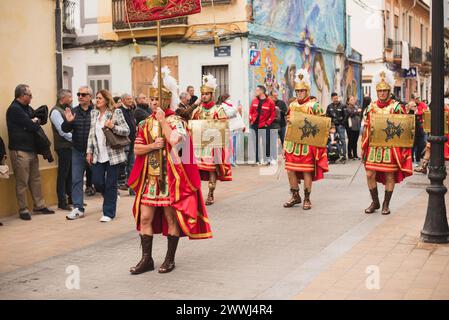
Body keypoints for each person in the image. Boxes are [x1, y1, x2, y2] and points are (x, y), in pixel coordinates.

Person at [128, 71, 212, 275]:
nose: (154, 102)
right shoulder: (145, 123)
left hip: (170, 179)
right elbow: (137, 149)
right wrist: (152, 146)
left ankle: (169, 259)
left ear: (166, 99)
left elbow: (175, 140)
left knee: (171, 219)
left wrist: (163, 121)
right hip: (151, 178)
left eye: (158, 98)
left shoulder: (177, 121)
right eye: (152, 98)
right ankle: (146, 259)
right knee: (145, 218)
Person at [362, 69, 413, 215]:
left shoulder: (397, 108)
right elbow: (365, 128)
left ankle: (386, 203)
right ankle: (375, 201)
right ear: (376, 92)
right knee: (369, 174)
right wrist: (363, 147)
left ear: (389, 91)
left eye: (385, 90)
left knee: (390, 175)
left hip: (390, 147)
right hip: (374, 147)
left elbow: (404, 129)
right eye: (380, 91)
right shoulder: (371, 107)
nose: (382, 93)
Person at [6, 84, 55, 220]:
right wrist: (34, 121)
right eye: (30, 95)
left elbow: (38, 120)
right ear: (22, 96)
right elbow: (32, 126)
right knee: (22, 182)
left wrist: (35, 120)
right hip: (20, 150)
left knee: (35, 179)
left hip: (31, 149)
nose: (32, 97)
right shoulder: (14, 109)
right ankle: (23, 209)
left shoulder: (27, 108)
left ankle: (39, 205)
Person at [283, 69, 329, 210]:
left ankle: (307, 198)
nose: (299, 94)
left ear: (307, 91)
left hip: (308, 144)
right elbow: (288, 124)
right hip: (293, 143)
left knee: (306, 171)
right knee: (290, 170)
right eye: (297, 91)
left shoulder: (314, 106)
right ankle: (295, 196)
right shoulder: (292, 105)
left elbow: (322, 125)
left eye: (302, 91)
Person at [85, 90, 130, 222]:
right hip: (98, 155)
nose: (96, 100)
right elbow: (91, 134)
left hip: (113, 155)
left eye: (99, 98)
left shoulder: (116, 112)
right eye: (96, 98)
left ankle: (108, 213)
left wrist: (113, 126)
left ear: (106, 99)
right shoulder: (93, 113)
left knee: (111, 183)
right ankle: (112, 196)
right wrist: (89, 151)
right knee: (97, 182)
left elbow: (126, 130)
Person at [191, 74, 232, 206]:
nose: (204, 96)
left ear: (212, 95)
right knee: (196, 168)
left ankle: (210, 192)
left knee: (211, 169)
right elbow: (192, 124)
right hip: (199, 143)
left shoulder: (218, 109)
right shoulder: (198, 109)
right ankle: (196, 193)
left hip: (213, 145)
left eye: (207, 94)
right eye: (202, 94)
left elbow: (224, 126)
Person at [62, 86, 95, 220]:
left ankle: (109, 202)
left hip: (94, 151)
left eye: (83, 94)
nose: (80, 96)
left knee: (99, 179)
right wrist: (69, 122)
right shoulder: (74, 111)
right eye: (78, 94)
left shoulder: (96, 112)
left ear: (90, 97)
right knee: (76, 179)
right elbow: (64, 129)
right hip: (77, 150)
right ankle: (78, 208)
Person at [50, 89, 73, 211]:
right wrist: (75, 139)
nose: (72, 99)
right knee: (63, 174)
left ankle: (71, 199)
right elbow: (62, 131)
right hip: (63, 146)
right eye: (69, 97)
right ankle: (62, 202)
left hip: (69, 146)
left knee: (70, 174)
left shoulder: (65, 110)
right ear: (62, 98)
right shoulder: (55, 112)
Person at [249, 85, 276, 165]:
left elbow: (273, 114)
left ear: (262, 91)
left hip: (264, 125)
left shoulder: (270, 102)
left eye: (257, 90)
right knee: (255, 143)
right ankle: (257, 160)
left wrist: (267, 123)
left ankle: (266, 159)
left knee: (266, 142)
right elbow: (251, 112)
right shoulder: (254, 101)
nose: (255, 92)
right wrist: (250, 119)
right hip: (254, 125)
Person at [217, 94, 246, 167]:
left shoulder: (231, 105)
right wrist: (237, 109)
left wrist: (242, 125)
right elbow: (228, 114)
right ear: (225, 99)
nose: (230, 99)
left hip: (235, 128)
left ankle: (233, 160)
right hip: (230, 128)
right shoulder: (223, 106)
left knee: (235, 146)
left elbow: (237, 117)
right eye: (229, 98)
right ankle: (230, 161)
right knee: (230, 146)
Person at [118, 93, 137, 194]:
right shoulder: (120, 111)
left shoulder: (131, 110)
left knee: (131, 164)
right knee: (122, 164)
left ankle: (132, 187)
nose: (131, 100)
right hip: (124, 141)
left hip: (132, 140)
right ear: (123, 100)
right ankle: (118, 185)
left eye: (131, 98)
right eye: (129, 99)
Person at [326, 92, 347, 162]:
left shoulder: (342, 106)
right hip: (332, 126)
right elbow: (327, 116)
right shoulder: (329, 107)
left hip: (340, 126)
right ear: (332, 98)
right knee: (332, 140)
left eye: (337, 98)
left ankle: (343, 155)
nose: (336, 99)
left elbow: (346, 116)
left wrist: (342, 123)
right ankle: (332, 155)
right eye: (334, 98)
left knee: (342, 140)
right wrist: (330, 125)